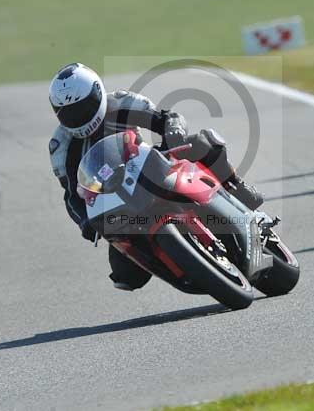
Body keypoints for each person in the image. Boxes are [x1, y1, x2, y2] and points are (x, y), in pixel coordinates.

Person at [48, 63, 264, 291]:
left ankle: (235, 187)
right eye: (68, 113)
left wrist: (173, 131)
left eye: (84, 107)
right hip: (116, 202)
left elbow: (167, 117)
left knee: (201, 143)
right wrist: (85, 222)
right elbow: (72, 195)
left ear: (98, 93)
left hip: (150, 168)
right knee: (126, 276)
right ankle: (181, 266)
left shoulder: (121, 103)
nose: (78, 117)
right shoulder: (60, 147)